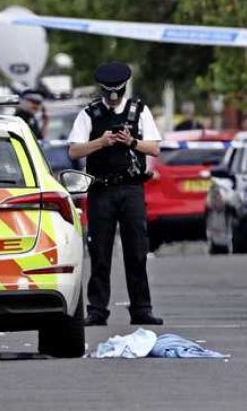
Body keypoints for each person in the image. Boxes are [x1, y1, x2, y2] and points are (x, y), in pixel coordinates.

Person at [68, 61, 164, 326]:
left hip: (132, 188)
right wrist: (102, 141)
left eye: (117, 93)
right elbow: (74, 151)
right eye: (109, 94)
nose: (113, 99)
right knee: (99, 252)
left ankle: (141, 308)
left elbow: (154, 149)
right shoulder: (90, 114)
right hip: (101, 190)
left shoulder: (139, 111)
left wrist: (131, 141)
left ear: (123, 90)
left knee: (137, 251)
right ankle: (97, 310)